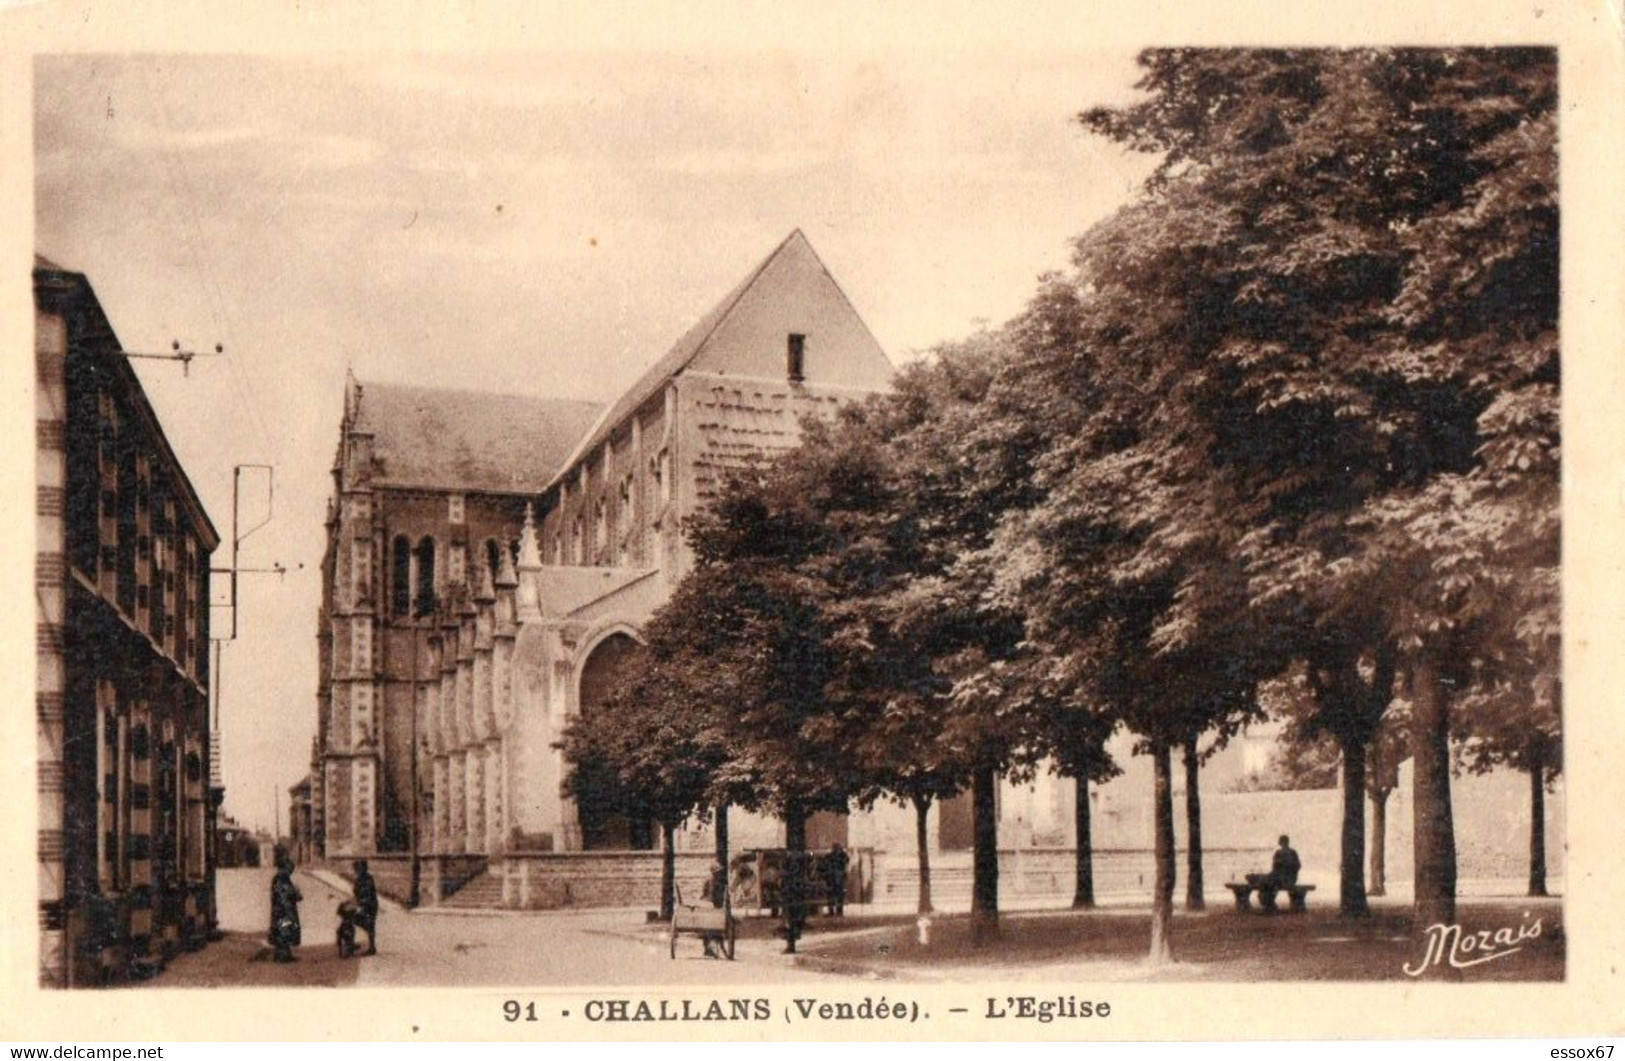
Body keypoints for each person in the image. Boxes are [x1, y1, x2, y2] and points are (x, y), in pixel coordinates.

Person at [268, 851, 302, 963]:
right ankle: (282, 956)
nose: (291, 872)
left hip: (282, 910)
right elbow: (286, 894)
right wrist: (296, 893)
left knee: (284, 931)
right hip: (283, 911)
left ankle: (284, 954)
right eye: (290, 869)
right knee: (284, 931)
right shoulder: (281, 879)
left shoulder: (282, 878)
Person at [701, 859, 728, 959]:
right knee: (714, 925)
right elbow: (711, 895)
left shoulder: (715, 880)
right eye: (718, 871)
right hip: (712, 905)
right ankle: (711, 947)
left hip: (710, 904)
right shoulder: (712, 880)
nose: (719, 873)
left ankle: (709, 947)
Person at [353, 859, 379, 956]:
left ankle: (372, 947)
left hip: (370, 905)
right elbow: (356, 893)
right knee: (351, 918)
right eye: (356, 869)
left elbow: (367, 894)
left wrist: (362, 903)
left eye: (359, 868)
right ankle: (352, 941)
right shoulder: (358, 879)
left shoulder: (368, 879)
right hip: (362, 904)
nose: (357, 870)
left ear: (364, 868)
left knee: (370, 924)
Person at [823, 843, 849, 916]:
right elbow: (846, 861)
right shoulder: (842, 856)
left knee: (833, 894)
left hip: (834, 877)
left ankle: (835, 911)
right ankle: (838, 911)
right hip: (837, 877)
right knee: (837, 894)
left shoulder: (831, 856)